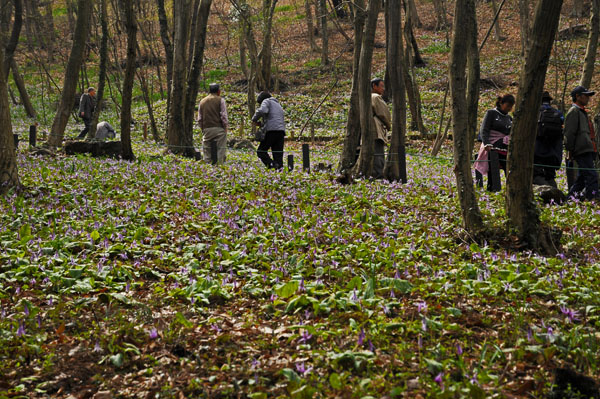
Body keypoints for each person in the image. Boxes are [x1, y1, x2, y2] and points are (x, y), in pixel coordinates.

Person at [564, 85, 599, 200]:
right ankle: (592, 202)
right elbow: (569, 133)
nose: (588, 98)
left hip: (587, 149)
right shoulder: (573, 111)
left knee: (582, 180)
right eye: (586, 95)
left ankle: (570, 201)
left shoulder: (582, 112)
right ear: (577, 97)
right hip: (581, 150)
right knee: (591, 176)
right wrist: (570, 150)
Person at [475, 94, 515, 191]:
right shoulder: (491, 113)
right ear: (501, 103)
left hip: (505, 147)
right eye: (508, 105)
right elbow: (484, 129)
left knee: (508, 168)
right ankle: (492, 188)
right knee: (493, 168)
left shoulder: (509, 118)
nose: (509, 108)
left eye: (511, 106)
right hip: (492, 147)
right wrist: (487, 143)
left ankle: (511, 189)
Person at [533, 91, 564, 188]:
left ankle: (547, 194)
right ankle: (557, 199)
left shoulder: (534, 113)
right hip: (552, 152)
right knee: (550, 176)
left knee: (537, 175)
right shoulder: (558, 113)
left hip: (537, 151)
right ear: (549, 101)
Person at [252, 91, 285, 169]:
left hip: (271, 131)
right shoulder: (278, 104)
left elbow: (263, 110)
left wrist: (254, 119)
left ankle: (272, 164)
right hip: (281, 131)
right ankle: (279, 170)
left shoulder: (267, 101)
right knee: (277, 153)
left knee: (261, 151)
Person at [197, 83, 228, 164]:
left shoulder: (202, 101)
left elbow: (199, 119)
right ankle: (220, 165)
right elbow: (223, 116)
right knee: (221, 149)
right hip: (219, 129)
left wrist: (203, 129)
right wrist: (225, 128)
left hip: (206, 129)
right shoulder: (220, 100)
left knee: (206, 150)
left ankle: (207, 166)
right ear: (218, 91)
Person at [371, 78, 391, 178]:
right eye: (381, 86)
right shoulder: (375, 97)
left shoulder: (366, 96)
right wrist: (389, 125)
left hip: (368, 129)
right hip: (376, 128)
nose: (383, 89)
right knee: (378, 153)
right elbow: (383, 114)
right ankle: (379, 175)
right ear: (374, 86)